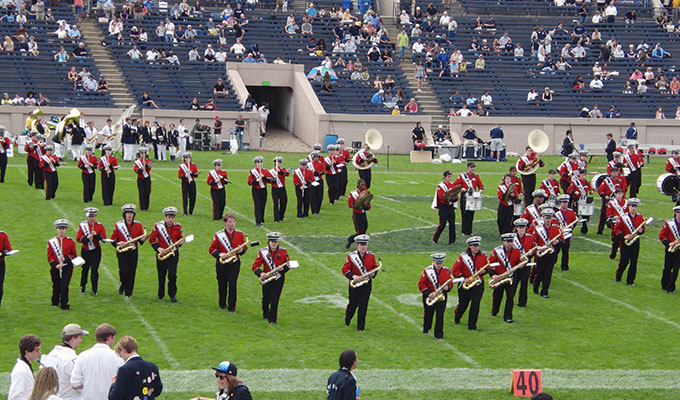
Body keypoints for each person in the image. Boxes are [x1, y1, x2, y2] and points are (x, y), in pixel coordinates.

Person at [71, 323, 122, 400]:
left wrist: (88, 388)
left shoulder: (83, 356)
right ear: (110, 337)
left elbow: (75, 383)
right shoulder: (117, 358)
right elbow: (122, 383)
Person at [209, 213, 248, 312]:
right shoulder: (218, 235)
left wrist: (241, 250)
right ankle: (222, 304)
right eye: (230, 222)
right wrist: (220, 254)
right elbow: (212, 249)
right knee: (222, 284)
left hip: (234, 263)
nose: (232, 224)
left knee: (232, 284)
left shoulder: (239, 234)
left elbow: (244, 247)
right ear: (225, 223)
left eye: (233, 221)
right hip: (222, 263)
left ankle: (232, 307)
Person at [40, 324, 88, 400]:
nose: (81, 340)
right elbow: (78, 383)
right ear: (73, 339)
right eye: (80, 337)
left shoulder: (51, 354)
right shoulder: (72, 359)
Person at [342, 234, 379, 331]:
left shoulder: (371, 255)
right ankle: (348, 317)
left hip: (366, 284)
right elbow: (345, 269)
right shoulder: (351, 256)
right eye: (361, 244)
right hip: (355, 283)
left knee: (363, 305)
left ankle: (360, 327)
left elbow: (374, 267)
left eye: (365, 244)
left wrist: (374, 273)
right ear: (357, 245)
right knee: (353, 304)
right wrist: (353, 276)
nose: (363, 246)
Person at [110, 204, 148, 298]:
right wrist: (118, 243)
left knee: (132, 272)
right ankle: (123, 284)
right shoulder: (119, 225)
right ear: (124, 214)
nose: (129, 215)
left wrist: (143, 239)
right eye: (128, 213)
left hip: (133, 252)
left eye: (131, 213)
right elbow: (113, 239)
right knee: (123, 272)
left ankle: (129, 292)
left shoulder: (138, 225)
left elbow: (140, 239)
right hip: (122, 252)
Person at [252, 232, 290, 324]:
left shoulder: (283, 251)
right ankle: (265, 312)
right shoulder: (262, 252)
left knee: (275, 299)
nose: (274, 244)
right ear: (268, 242)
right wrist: (261, 274)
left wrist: (283, 269)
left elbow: (288, 264)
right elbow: (255, 266)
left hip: (278, 278)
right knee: (266, 300)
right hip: (267, 278)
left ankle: (272, 319)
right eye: (272, 242)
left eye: (276, 242)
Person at [452, 236, 488, 331]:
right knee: (463, 303)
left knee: (475, 304)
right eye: (474, 246)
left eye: (477, 246)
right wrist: (463, 278)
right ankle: (457, 315)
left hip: (478, 284)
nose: (476, 248)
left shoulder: (483, 255)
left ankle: (472, 325)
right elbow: (455, 270)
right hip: (465, 284)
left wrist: (485, 271)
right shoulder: (463, 257)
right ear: (470, 246)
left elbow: (488, 267)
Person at [149, 207, 184, 302]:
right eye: (169, 217)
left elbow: (180, 238)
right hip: (161, 253)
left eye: (172, 217)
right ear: (165, 217)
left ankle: (172, 294)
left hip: (173, 254)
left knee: (172, 274)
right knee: (161, 274)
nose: (170, 220)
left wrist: (181, 242)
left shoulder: (177, 226)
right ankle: (160, 294)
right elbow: (152, 239)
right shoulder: (158, 226)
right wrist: (158, 248)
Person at [488, 233, 523, 323]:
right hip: (499, 277)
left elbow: (518, 263)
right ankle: (494, 311)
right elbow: (490, 265)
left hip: (510, 278)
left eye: (511, 241)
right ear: (504, 241)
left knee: (510, 297)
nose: (510, 244)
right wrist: (493, 275)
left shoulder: (516, 251)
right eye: (508, 241)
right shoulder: (497, 251)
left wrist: (521, 265)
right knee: (497, 296)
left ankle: (508, 316)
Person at [528, 208, 562, 298]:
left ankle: (544, 291)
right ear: (542, 217)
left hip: (551, 253)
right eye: (546, 218)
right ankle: (536, 286)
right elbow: (533, 240)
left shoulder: (556, 228)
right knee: (540, 272)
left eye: (549, 218)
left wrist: (558, 241)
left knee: (548, 273)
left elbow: (562, 238)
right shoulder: (538, 228)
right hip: (541, 253)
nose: (547, 220)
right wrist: (537, 247)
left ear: (552, 218)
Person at [418, 253, 453, 338]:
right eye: (437, 263)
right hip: (430, 296)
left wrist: (447, 287)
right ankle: (426, 328)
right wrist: (428, 293)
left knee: (440, 315)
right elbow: (421, 284)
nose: (439, 265)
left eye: (440, 263)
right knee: (428, 314)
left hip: (441, 296)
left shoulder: (447, 270)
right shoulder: (427, 270)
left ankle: (439, 334)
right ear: (433, 262)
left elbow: (450, 282)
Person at [47, 219, 78, 310]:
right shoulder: (52, 242)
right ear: (57, 229)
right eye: (60, 228)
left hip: (67, 267)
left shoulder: (70, 241)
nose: (61, 230)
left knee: (64, 286)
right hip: (56, 267)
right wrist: (55, 265)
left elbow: (74, 255)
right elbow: (49, 256)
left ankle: (64, 304)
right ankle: (55, 301)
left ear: (66, 230)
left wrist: (66, 259)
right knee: (56, 285)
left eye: (63, 228)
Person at [75, 207, 107, 296]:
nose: (91, 218)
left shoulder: (100, 226)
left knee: (94, 270)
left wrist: (96, 235)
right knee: (85, 269)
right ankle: (83, 286)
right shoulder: (82, 225)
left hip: (96, 251)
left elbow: (104, 239)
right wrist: (86, 238)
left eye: (93, 216)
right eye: (89, 216)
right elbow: (78, 238)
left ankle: (94, 289)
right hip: (85, 250)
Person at [613, 198, 644, 285]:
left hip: (635, 242)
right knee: (624, 261)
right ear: (628, 207)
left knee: (634, 262)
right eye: (632, 206)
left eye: (635, 206)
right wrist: (624, 236)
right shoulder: (623, 217)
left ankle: (630, 281)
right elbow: (616, 230)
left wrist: (641, 231)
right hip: (625, 242)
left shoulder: (640, 217)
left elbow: (643, 229)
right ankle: (619, 275)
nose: (634, 208)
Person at [454, 162, 484, 235]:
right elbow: (455, 184)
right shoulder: (462, 176)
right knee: (464, 214)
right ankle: (464, 231)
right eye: (471, 167)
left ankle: (469, 231)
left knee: (471, 215)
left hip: (473, 197)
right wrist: (461, 188)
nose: (472, 169)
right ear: (467, 167)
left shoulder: (476, 176)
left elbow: (480, 185)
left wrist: (481, 190)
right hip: (465, 197)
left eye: (473, 167)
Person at [9, 334, 42, 400]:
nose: (39, 353)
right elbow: (14, 397)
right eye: (37, 350)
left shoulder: (26, 366)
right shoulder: (21, 371)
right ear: (27, 351)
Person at [597, 165, 627, 235]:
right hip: (608, 200)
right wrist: (604, 196)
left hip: (617, 201)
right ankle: (600, 230)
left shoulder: (620, 181)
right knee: (603, 215)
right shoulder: (606, 181)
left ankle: (617, 229)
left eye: (617, 172)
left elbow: (623, 190)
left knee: (618, 215)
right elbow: (600, 190)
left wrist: (622, 198)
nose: (615, 174)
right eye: (614, 172)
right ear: (611, 173)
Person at [432, 170, 457, 245]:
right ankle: (435, 239)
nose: (450, 178)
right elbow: (441, 197)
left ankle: (452, 241)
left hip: (450, 206)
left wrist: (455, 198)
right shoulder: (440, 186)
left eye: (451, 177)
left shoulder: (452, 185)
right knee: (442, 224)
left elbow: (456, 195)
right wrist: (449, 197)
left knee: (452, 224)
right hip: (443, 207)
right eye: (448, 177)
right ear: (444, 177)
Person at [553, 195, 578, 271]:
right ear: (560, 203)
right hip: (559, 234)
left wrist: (573, 226)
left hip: (567, 234)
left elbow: (575, 221)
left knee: (565, 251)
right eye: (563, 202)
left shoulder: (571, 212)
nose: (565, 204)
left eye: (566, 202)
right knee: (556, 250)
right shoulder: (556, 213)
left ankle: (564, 267)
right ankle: (552, 263)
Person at [660, 206, 680, 294]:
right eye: (678, 213)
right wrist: (669, 243)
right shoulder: (669, 223)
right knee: (667, 268)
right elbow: (662, 236)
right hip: (670, 249)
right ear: (675, 213)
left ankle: (671, 287)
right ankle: (664, 283)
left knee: (676, 269)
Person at [248, 156, 273, 227]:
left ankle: (261, 218)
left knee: (263, 205)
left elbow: (270, 181)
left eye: (261, 162)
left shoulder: (265, 171)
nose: (260, 164)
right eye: (258, 162)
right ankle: (258, 222)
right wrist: (256, 180)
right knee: (257, 205)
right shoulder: (252, 172)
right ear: (255, 164)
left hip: (263, 190)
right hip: (256, 190)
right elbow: (249, 182)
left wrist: (264, 177)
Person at [346, 179, 371, 248]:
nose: (363, 186)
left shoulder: (366, 194)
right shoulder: (352, 193)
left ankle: (358, 243)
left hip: (363, 213)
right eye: (362, 184)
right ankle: (350, 240)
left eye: (364, 184)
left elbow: (369, 207)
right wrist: (357, 202)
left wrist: (366, 206)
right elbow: (350, 205)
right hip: (356, 214)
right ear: (358, 185)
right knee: (360, 231)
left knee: (364, 229)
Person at [269, 156, 290, 222]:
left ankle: (281, 216)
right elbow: (269, 180)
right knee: (275, 204)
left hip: (282, 188)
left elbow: (285, 174)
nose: (279, 163)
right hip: (275, 189)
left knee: (284, 202)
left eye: (280, 162)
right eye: (278, 162)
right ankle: (276, 219)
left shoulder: (283, 169)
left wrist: (279, 171)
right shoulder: (271, 171)